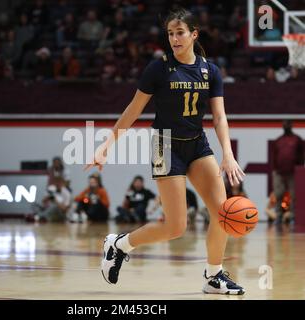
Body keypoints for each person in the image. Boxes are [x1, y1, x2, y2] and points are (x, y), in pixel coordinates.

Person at [86, 8, 246, 295]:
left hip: (197, 143)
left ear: (194, 35)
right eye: (170, 33)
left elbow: (219, 117)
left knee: (222, 212)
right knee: (175, 227)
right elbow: (134, 109)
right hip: (165, 145)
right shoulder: (158, 68)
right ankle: (119, 244)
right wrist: (106, 145)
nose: (174, 38)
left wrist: (228, 154)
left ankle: (214, 276)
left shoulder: (210, 70)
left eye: (180, 32)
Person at [272, 120, 304, 223]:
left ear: (291, 125)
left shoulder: (297, 139)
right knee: (278, 194)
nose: (285, 126)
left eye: (287, 124)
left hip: (293, 172)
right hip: (279, 172)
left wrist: (299, 168)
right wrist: (275, 169)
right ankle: (278, 216)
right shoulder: (278, 140)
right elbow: (274, 156)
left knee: (294, 195)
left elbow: (302, 154)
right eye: (284, 124)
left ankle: (293, 216)